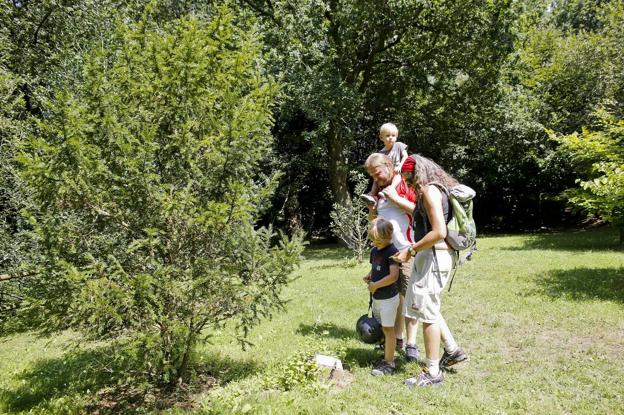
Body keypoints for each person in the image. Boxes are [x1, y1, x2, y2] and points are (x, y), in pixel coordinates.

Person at [392, 154, 468, 387]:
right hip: (431, 255)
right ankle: (452, 351)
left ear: (421, 173)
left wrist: (410, 251)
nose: (410, 184)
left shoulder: (430, 192)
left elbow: (439, 232)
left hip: (434, 256)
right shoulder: (436, 189)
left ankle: (433, 372)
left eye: (411, 178)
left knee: (428, 316)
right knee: (427, 308)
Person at [365, 153, 419, 363]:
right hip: (387, 253)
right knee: (393, 300)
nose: (375, 178)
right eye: (371, 175)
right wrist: (372, 210)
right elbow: (375, 222)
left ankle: (412, 343)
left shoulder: (403, 185)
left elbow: (419, 212)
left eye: (376, 173)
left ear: (388, 165)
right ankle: (397, 339)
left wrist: (396, 199)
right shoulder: (379, 192)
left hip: (406, 251)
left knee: (408, 299)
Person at [364, 217, 400, 376]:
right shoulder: (374, 251)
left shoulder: (392, 252)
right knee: (382, 328)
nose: (374, 245)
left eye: (378, 242)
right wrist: (370, 276)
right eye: (373, 241)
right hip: (378, 297)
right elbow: (376, 268)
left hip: (388, 299)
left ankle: (390, 363)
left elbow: (393, 276)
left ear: (389, 238)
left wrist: (375, 285)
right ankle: (386, 355)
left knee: (388, 329)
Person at [361, 123, 409, 206]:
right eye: (387, 135)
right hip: (387, 174)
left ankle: (390, 189)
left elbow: (406, 156)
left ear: (396, 137)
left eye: (393, 135)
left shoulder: (398, 145)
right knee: (375, 178)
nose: (391, 138)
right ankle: (372, 195)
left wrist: (400, 166)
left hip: (398, 170)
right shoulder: (381, 153)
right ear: (381, 138)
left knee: (396, 173)